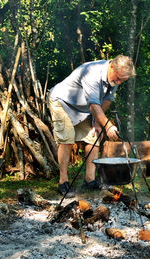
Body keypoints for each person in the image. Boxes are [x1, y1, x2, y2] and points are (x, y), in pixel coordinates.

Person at [48, 55, 136, 195]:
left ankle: (90, 180)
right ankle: (63, 181)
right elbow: (94, 104)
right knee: (67, 139)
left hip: (83, 108)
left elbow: (106, 100)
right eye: (118, 78)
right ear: (112, 66)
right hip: (62, 102)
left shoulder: (114, 78)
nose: (119, 82)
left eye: (122, 81)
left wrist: (97, 123)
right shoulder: (92, 72)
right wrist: (107, 126)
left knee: (94, 137)